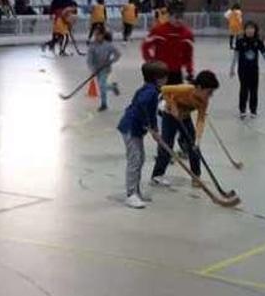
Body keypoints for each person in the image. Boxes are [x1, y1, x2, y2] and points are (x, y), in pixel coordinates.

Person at [149, 71, 219, 187]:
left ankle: (196, 176)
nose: (210, 95)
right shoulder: (185, 89)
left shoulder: (204, 101)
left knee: (194, 148)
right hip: (169, 116)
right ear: (200, 87)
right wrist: (172, 105)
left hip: (185, 119)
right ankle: (157, 175)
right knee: (167, 146)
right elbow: (164, 89)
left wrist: (198, 139)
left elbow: (200, 120)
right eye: (209, 92)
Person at [118, 61, 169, 209]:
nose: (166, 80)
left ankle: (136, 192)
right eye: (164, 77)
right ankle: (131, 195)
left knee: (140, 159)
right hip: (130, 128)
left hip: (136, 129)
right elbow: (141, 105)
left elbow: (150, 111)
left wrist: (154, 128)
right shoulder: (150, 92)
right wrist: (150, 125)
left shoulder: (151, 89)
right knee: (135, 160)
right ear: (157, 78)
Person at [230, 21, 265, 119]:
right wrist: (232, 68)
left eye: (252, 29)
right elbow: (236, 55)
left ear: (255, 30)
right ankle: (242, 110)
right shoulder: (240, 40)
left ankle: (253, 110)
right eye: (248, 28)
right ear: (245, 30)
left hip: (254, 70)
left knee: (254, 90)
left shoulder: (258, 40)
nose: (250, 31)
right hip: (242, 70)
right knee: (244, 89)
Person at [141, 5, 195, 85]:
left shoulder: (187, 34)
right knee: (157, 96)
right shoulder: (158, 31)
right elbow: (145, 47)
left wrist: (189, 71)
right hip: (159, 72)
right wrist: (151, 62)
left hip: (176, 72)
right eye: (176, 17)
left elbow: (188, 56)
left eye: (181, 18)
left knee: (176, 96)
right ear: (169, 16)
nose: (179, 20)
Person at [87, 26, 123, 112]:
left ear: (102, 35)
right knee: (102, 86)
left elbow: (118, 54)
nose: (96, 37)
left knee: (102, 86)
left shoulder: (108, 45)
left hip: (105, 69)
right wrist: (93, 70)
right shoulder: (92, 46)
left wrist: (111, 61)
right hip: (97, 69)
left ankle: (104, 104)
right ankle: (113, 87)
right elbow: (89, 60)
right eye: (95, 35)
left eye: (98, 35)